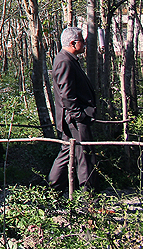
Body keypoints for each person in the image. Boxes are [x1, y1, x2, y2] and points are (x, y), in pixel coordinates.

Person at [48, 26, 98, 193]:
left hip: (73, 118)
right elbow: (66, 95)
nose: (84, 44)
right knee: (84, 155)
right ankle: (87, 198)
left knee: (67, 151)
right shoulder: (64, 61)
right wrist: (79, 116)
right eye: (82, 41)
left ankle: (54, 188)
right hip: (74, 120)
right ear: (72, 43)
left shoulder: (68, 59)